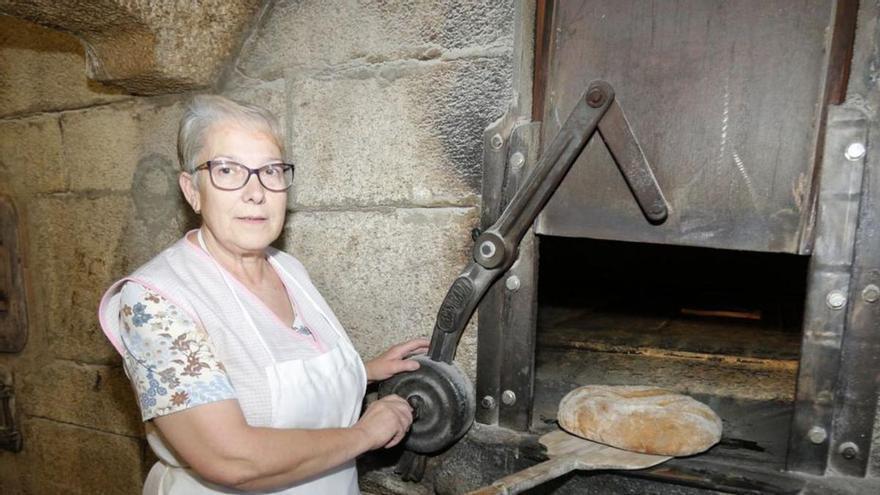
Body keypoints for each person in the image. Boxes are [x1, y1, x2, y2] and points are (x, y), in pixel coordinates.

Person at [98, 95, 428, 494]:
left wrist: (359, 369)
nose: (256, 192)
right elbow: (230, 457)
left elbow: (265, 367)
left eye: (270, 171)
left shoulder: (288, 269)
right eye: (227, 170)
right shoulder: (155, 300)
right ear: (192, 190)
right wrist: (366, 434)